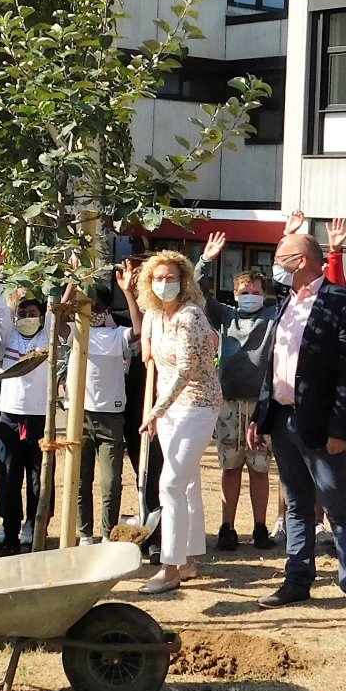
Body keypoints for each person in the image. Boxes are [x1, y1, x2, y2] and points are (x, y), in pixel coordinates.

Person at [249, 233, 346, 632]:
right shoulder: (286, 302)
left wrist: (340, 426)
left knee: (339, 509)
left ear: (302, 258)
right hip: (283, 420)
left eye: (280, 257)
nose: (276, 264)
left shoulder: (341, 301)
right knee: (296, 505)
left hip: (322, 426)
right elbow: (276, 364)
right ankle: (297, 579)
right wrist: (260, 414)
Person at [135, 251, 223, 593]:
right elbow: (147, 336)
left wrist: (155, 411)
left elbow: (186, 370)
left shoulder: (191, 316)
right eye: (158, 278)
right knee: (186, 483)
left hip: (198, 405)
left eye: (170, 278)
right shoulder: (155, 314)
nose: (164, 284)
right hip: (168, 406)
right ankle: (188, 560)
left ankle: (169, 567)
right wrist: (146, 344)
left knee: (170, 483)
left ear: (183, 281)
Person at [0, 215, 53, 555]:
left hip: (38, 418)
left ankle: (34, 525)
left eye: (34, 312)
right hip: (8, 416)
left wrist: (65, 277)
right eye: (24, 313)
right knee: (8, 476)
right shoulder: (7, 337)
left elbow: (56, 307)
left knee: (37, 476)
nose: (28, 318)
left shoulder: (48, 335)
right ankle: (8, 528)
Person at [195, 236, 278, 551]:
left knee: (259, 468)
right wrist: (206, 259)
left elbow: (288, 294)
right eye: (244, 292)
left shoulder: (270, 317)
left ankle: (260, 527)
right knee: (230, 467)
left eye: (255, 293)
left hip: (260, 405)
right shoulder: (226, 316)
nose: (250, 297)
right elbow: (198, 291)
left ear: (263, 295)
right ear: (235, 294)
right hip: (228, 400)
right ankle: (227, 526)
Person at [75, 262, 142, 544]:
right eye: (89, 309)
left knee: (110, 482)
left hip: (111, 416)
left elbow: (138, 329)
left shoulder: (116, 336)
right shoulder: (77, 334)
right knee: (80, 480)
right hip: (80, 414)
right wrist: (72, 282)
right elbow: (58, 321)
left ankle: (107, 533)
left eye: (99, 309)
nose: (95, 315)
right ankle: (83, 533)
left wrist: (128, 293)